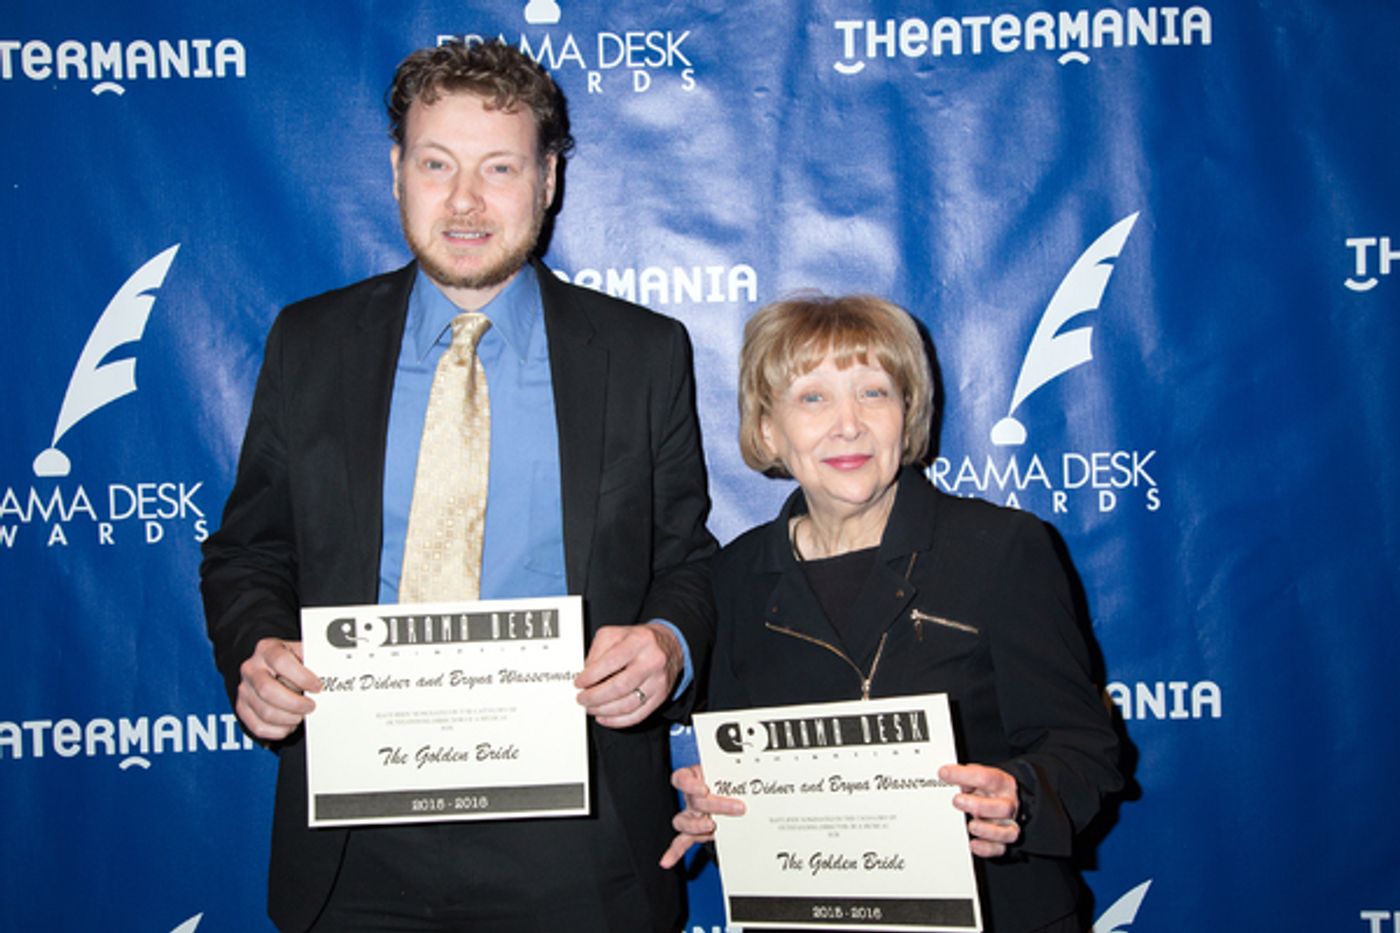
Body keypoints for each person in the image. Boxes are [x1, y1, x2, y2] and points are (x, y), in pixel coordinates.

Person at [200, 40, 715, 933]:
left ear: (548, 180)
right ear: (397, 171)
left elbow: (689, 560)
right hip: (357, 839)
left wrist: (668, 642)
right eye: (437, 164)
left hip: (582, 839)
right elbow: (250, 550)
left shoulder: (640, 352)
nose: (467, 201)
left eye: (501, 167)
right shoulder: (309, 344)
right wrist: (259, 648)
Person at [660, 294, 1121, 932]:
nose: (847, 424)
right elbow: (746, 763)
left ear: (908, 416)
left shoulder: (1003, 549)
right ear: (768, 429)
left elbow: (1084, 748)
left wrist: (1022, 795)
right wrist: (721, 811)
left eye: (873, 393)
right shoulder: (733, 577)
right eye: (812, 398)